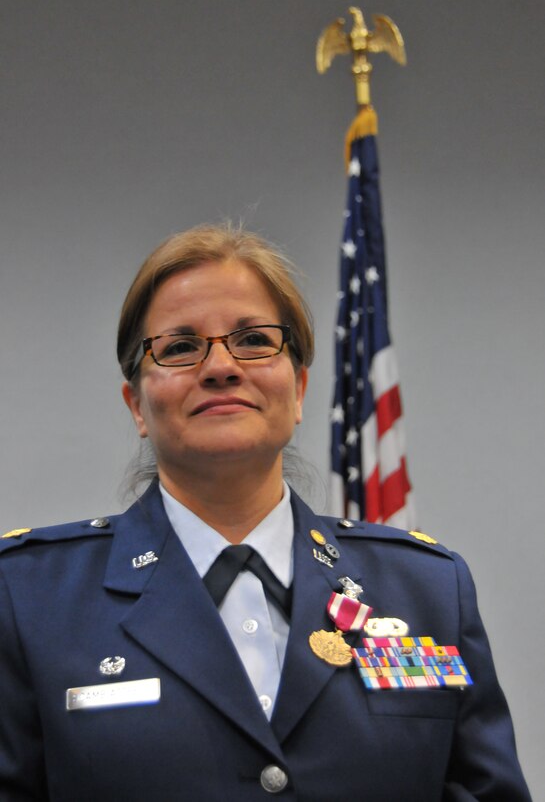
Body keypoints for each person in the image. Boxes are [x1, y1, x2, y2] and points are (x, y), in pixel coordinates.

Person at [0, 224, 530, 801]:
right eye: (179, 347)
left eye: (254, 340)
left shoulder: (427, 590)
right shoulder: (28, 597)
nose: (222, 366)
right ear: (138, 407)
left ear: (299, 389)